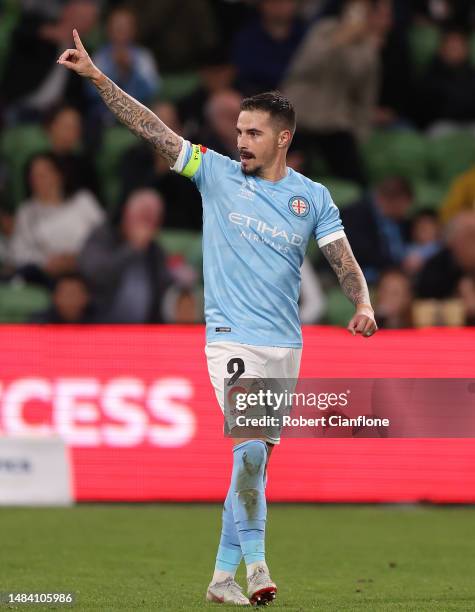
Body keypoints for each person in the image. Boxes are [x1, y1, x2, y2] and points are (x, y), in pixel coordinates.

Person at [58, 30, 377, 606]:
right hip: (231, 339)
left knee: (250, 466)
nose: (242, 142)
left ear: (285, 138)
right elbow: (152, 129)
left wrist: (362, 302)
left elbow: (340, 256)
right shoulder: (215, 172)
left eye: (254, 133)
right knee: (250, 450)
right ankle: (257, 567)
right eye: (238, 132)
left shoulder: (314, 198)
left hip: (285, 346)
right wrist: (99, 79)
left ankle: (220, 578)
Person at [283, 0, 385, 185]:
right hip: (300, 116)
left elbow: (361, 85)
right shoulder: (323, 29)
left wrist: (350, 45)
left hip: (335, 122)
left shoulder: (368, 45)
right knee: (287, 172)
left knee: (356, 181)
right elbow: (305, 66)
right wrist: (337, 41)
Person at [8, 152, 103, 287]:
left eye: (43, 175)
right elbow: (18, 251)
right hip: (49, 276)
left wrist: (79, 258)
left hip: (90, 267)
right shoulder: (26, 211)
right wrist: (47, 262)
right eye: (34, 176)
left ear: (59, 175)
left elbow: (104, 236)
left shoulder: (83, 200)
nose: (38, 180)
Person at [79, 189, 172, 324]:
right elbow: (94, 274)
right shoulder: (103, 236)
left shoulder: (155, 251)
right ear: (127, 215)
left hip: (144, 331)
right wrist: (132, 249)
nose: (146, 227)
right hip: (100, 326)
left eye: (152, 221)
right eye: (142, 218)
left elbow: (164, 289)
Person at [87, 6, 160, 125]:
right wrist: (115, 71)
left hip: (138, 117)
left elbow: (152, 90)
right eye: (117, 26)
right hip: (104, 117)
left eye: (125, 26)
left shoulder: (144, 57)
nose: (121, 30)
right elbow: (91, 92)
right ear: (108, 29)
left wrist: (131, 70)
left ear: (133, 30)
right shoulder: (99, 57)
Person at [341, 176, 413, 283]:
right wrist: (399, 264)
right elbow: (360, 253)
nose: (406, 211)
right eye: (404, 206)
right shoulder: (355, 215)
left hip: (386, 274)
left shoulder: (398, 221)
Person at [232, 0, 306, 95]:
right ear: (261, 4)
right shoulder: (246, 38)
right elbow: (244, 75)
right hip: (259, 98)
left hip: (303, 96)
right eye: (273, 2)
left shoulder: (308, 35)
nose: (279, 5)